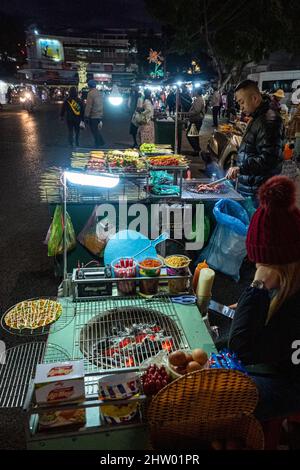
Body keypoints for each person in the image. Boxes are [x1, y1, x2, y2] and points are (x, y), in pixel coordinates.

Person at [228, 176, 300, 421]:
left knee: (224, 395)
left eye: (261, 263)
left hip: (292, 385)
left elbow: (241, 350)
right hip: (286, 371)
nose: (256, 265)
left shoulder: (293, 306)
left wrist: (258, 285)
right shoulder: (288, 290)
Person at [226, 79, 284, 204]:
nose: (241, 107)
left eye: (242, 102)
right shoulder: (257, 117)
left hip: (259, 190)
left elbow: (269, 158)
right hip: (251, 186)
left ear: (255, 98)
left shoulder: (269, 121)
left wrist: (240, 168)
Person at [84, 79, 104, 148]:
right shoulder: (99, 92)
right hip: (99, 114)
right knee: (96, 129)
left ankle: (98, 143)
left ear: (89, 86)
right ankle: (100, 142)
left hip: (93, 115)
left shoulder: (90, 93)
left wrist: (86, 115)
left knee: (94, 130)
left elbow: (89, 105)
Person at [186, 88, 205, 155]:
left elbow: (196, 110)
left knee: (189, 135)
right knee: (195, 135)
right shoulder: (198, 99)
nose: (193, 92)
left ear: (197, 92)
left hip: (196, 120)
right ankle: (197, 150)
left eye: (194, 91)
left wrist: (189, 113)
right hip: (196, 120)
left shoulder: (199, 100)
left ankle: (196, 149)